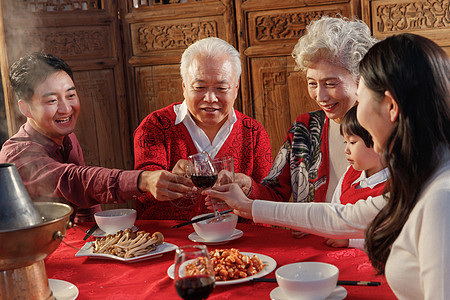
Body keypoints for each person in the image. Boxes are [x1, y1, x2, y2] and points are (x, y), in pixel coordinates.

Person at [205, 33, 450, 299]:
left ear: (390, 106)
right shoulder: (424, 173)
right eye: (312, 83)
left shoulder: (440, 199)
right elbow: (343, 216)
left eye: (361, 93)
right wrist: (248, 205)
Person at [0, 52, 173, 223]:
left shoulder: (67, 137)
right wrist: (142, 179)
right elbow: (75, 181)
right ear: (25, 108)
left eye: (70, 95)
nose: (66, 108)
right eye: (52, 100)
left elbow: (85, 203)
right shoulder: (16, 155)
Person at [239, 16, 378, 207]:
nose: (320, 96)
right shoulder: (304, 128)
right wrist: (247, 187)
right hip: (310, 236)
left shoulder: (383, 130)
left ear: (360, 78)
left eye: (330, 84)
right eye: (312, 83)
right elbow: (274, 194)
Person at [133, 37, 272, 220]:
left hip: (239, 243)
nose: (210, 98)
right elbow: (143, 197)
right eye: (200, 87)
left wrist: (249, 187)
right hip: (174, 242)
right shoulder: (155, 127)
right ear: (184, 87)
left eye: (221, 88)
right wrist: (168, 182)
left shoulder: (253, 132)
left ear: (236, 88)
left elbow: (270, 201)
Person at [325, 105, 388, 249]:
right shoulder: (350, 174)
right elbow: (333, 211)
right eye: (345, 142)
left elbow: (392, 238)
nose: (346, 150)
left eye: (352, 142)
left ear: (378, 142)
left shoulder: (395, 186)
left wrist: (351, 241)